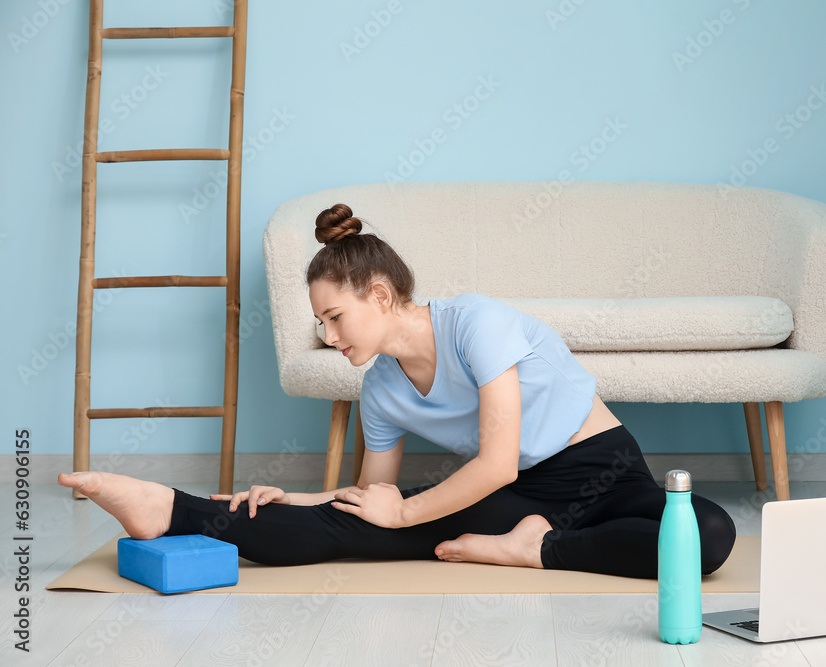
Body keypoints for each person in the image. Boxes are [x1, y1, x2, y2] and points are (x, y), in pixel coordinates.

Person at [59, 203, 736, 579]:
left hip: (605, 471)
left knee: (706, 533)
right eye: (320, 323)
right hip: (516, 495)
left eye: (334, 317)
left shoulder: (478, 323)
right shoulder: (380, 387)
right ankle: (168, 508)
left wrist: (408, 516)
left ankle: (538, 550)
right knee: (347, 528)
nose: (328, 336)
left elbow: (493, 461)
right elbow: (370, 497)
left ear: (379, 294)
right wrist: (290, 496)